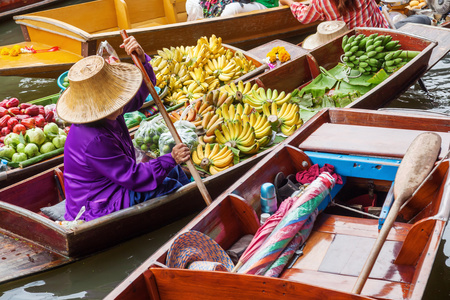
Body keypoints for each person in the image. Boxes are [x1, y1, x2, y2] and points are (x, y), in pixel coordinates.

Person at [57, 36, 191, 222]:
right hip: (98, 202)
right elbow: (132, 176)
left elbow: (138, 97)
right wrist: (171, 158)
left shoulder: (107, 111)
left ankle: (192, 199)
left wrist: (143, 61)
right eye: (114, 103)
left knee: (175, 171)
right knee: (168, 184)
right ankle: (190, 211)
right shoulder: (95, 139)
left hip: (114, 182)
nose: (120, 106)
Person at [279, 0, 389, 29]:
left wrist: (289, 2)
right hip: (383, 32)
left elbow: (304, 17)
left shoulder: (321, 2)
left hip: (356, 48)